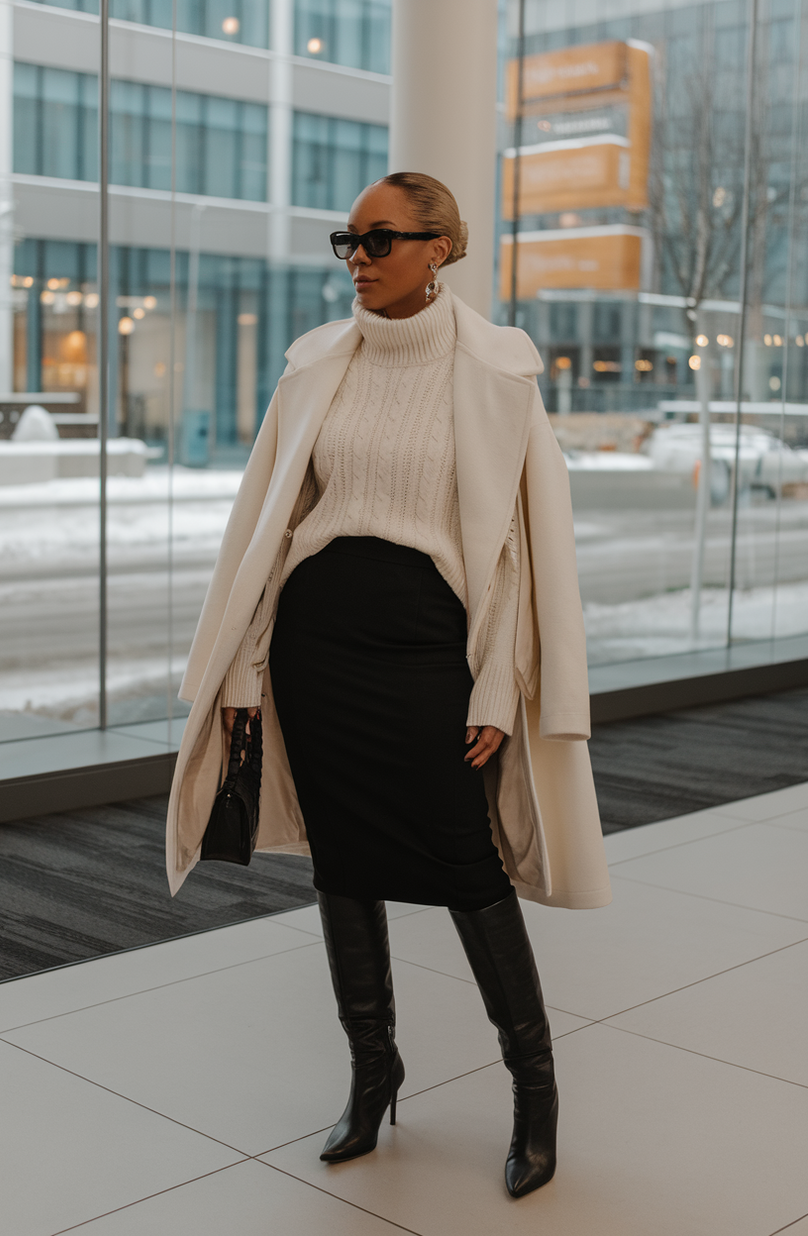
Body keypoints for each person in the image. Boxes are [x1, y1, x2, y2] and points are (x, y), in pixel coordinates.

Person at [166, 172, 611, 1199]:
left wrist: (496, 689)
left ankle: (533, 1093)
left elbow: (515, 557)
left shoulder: (499, 372)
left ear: (441, 248)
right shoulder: (315, 365)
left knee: (464, 864)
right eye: (347, 241)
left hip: (425, 650)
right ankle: (374, 1075)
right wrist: (241, 668)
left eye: (379, 240)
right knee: (344, 861)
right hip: (317, 646)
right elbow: (264, 535)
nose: (358, 259)